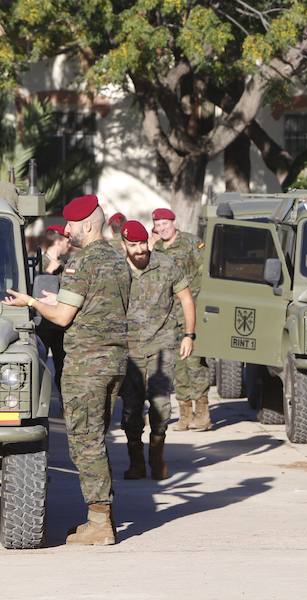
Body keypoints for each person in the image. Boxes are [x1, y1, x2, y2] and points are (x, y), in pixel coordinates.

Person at [3, 194, 130, 545]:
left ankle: (100, 522)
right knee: (96, 438)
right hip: (114, 359)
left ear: (87, 223)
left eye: (72, 225)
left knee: (84, 443)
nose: (68, 231)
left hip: (87, 363)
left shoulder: (82, 260)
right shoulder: (117, 258)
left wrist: (30, 302)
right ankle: (104, 514)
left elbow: (62, 316)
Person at [119, 220, 196, 480]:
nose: (140, 249)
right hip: (127, 349)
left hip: (161, 345)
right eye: (133, 245)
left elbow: (186, 298)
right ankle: (136, 462)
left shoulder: (165, 265)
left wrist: (188, 335)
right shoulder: (115, 269)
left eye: (143, 243)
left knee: (161, 405)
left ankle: (157, 456)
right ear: (124, 245)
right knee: (131, 409)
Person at [151, 208, 211, 431]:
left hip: (190, 311)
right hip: (168, 315)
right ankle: (185, 415)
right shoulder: (156, 248)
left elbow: (204, 272)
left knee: (195, 362)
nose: (162, 228)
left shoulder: (190, 243)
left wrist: (198, 299)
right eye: (158, 224)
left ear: (173, 222)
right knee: (177, 366)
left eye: (165, 223)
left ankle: (202, 413)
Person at [37, 224, 71, 397]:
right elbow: (32, 289)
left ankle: (65, 403)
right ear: (58, 241)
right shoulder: (38, 262)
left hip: (60, 323)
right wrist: (49, 271)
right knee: (39, 364)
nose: (69, 243)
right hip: (42, 323)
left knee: (63, 366)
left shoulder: (66, 265)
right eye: (66, 239)